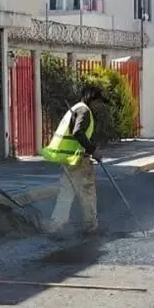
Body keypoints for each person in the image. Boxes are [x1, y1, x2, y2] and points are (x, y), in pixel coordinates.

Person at [42, 84, 106, 236]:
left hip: (69, 159)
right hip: (78, 160)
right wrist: (93, 150)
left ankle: (56, 225)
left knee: (66, 193)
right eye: (98, 102)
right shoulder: (84, 110)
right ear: (91, 99)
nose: (99, 106)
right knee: (87, 192)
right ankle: (91, 226)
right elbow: (78, 131)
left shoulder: (77, 108)